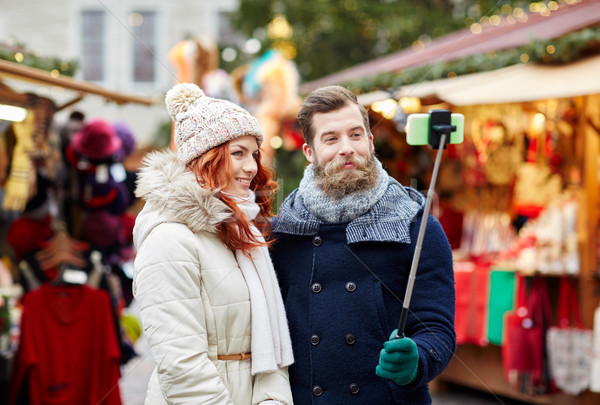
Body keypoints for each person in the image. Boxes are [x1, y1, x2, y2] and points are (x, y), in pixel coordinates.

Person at [270, 85, 456, 404]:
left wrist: (417, 360)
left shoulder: (417, 223)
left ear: (370, 143)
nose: (347, 148)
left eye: (355, 135)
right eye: (331, 138)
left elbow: (438, 328)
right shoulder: (282, 232)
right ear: (309, 152)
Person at [132, 82, 294, 405]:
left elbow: (270, 343)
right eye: (238, 153)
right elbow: (182, 367)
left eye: (254, 154)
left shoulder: (242, 232)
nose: (251, 167)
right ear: (205, 159)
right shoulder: (169, 238)